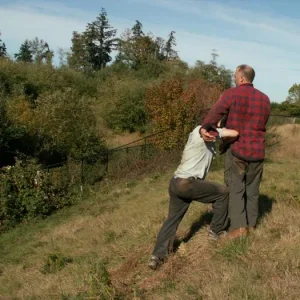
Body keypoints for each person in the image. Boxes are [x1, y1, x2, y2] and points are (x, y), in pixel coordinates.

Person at [148, 122, 239, 270]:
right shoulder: (202, 131)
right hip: (187, 183)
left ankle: (157, 256)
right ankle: (216, 231)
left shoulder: (198, 133)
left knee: (172, 219)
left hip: (176, 182)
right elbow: (234, 133)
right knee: (223, 193)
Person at [200, 64, 270, 239]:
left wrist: (205, 127)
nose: (233, 78)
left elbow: (216, 112)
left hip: (238, 148)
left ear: (240, 78)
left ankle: (239, 229)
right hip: (258, 150)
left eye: (234, 76)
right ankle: (252, 224)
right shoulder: (265, 98)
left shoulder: (232, 93)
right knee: (253, 190)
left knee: (236, 188)